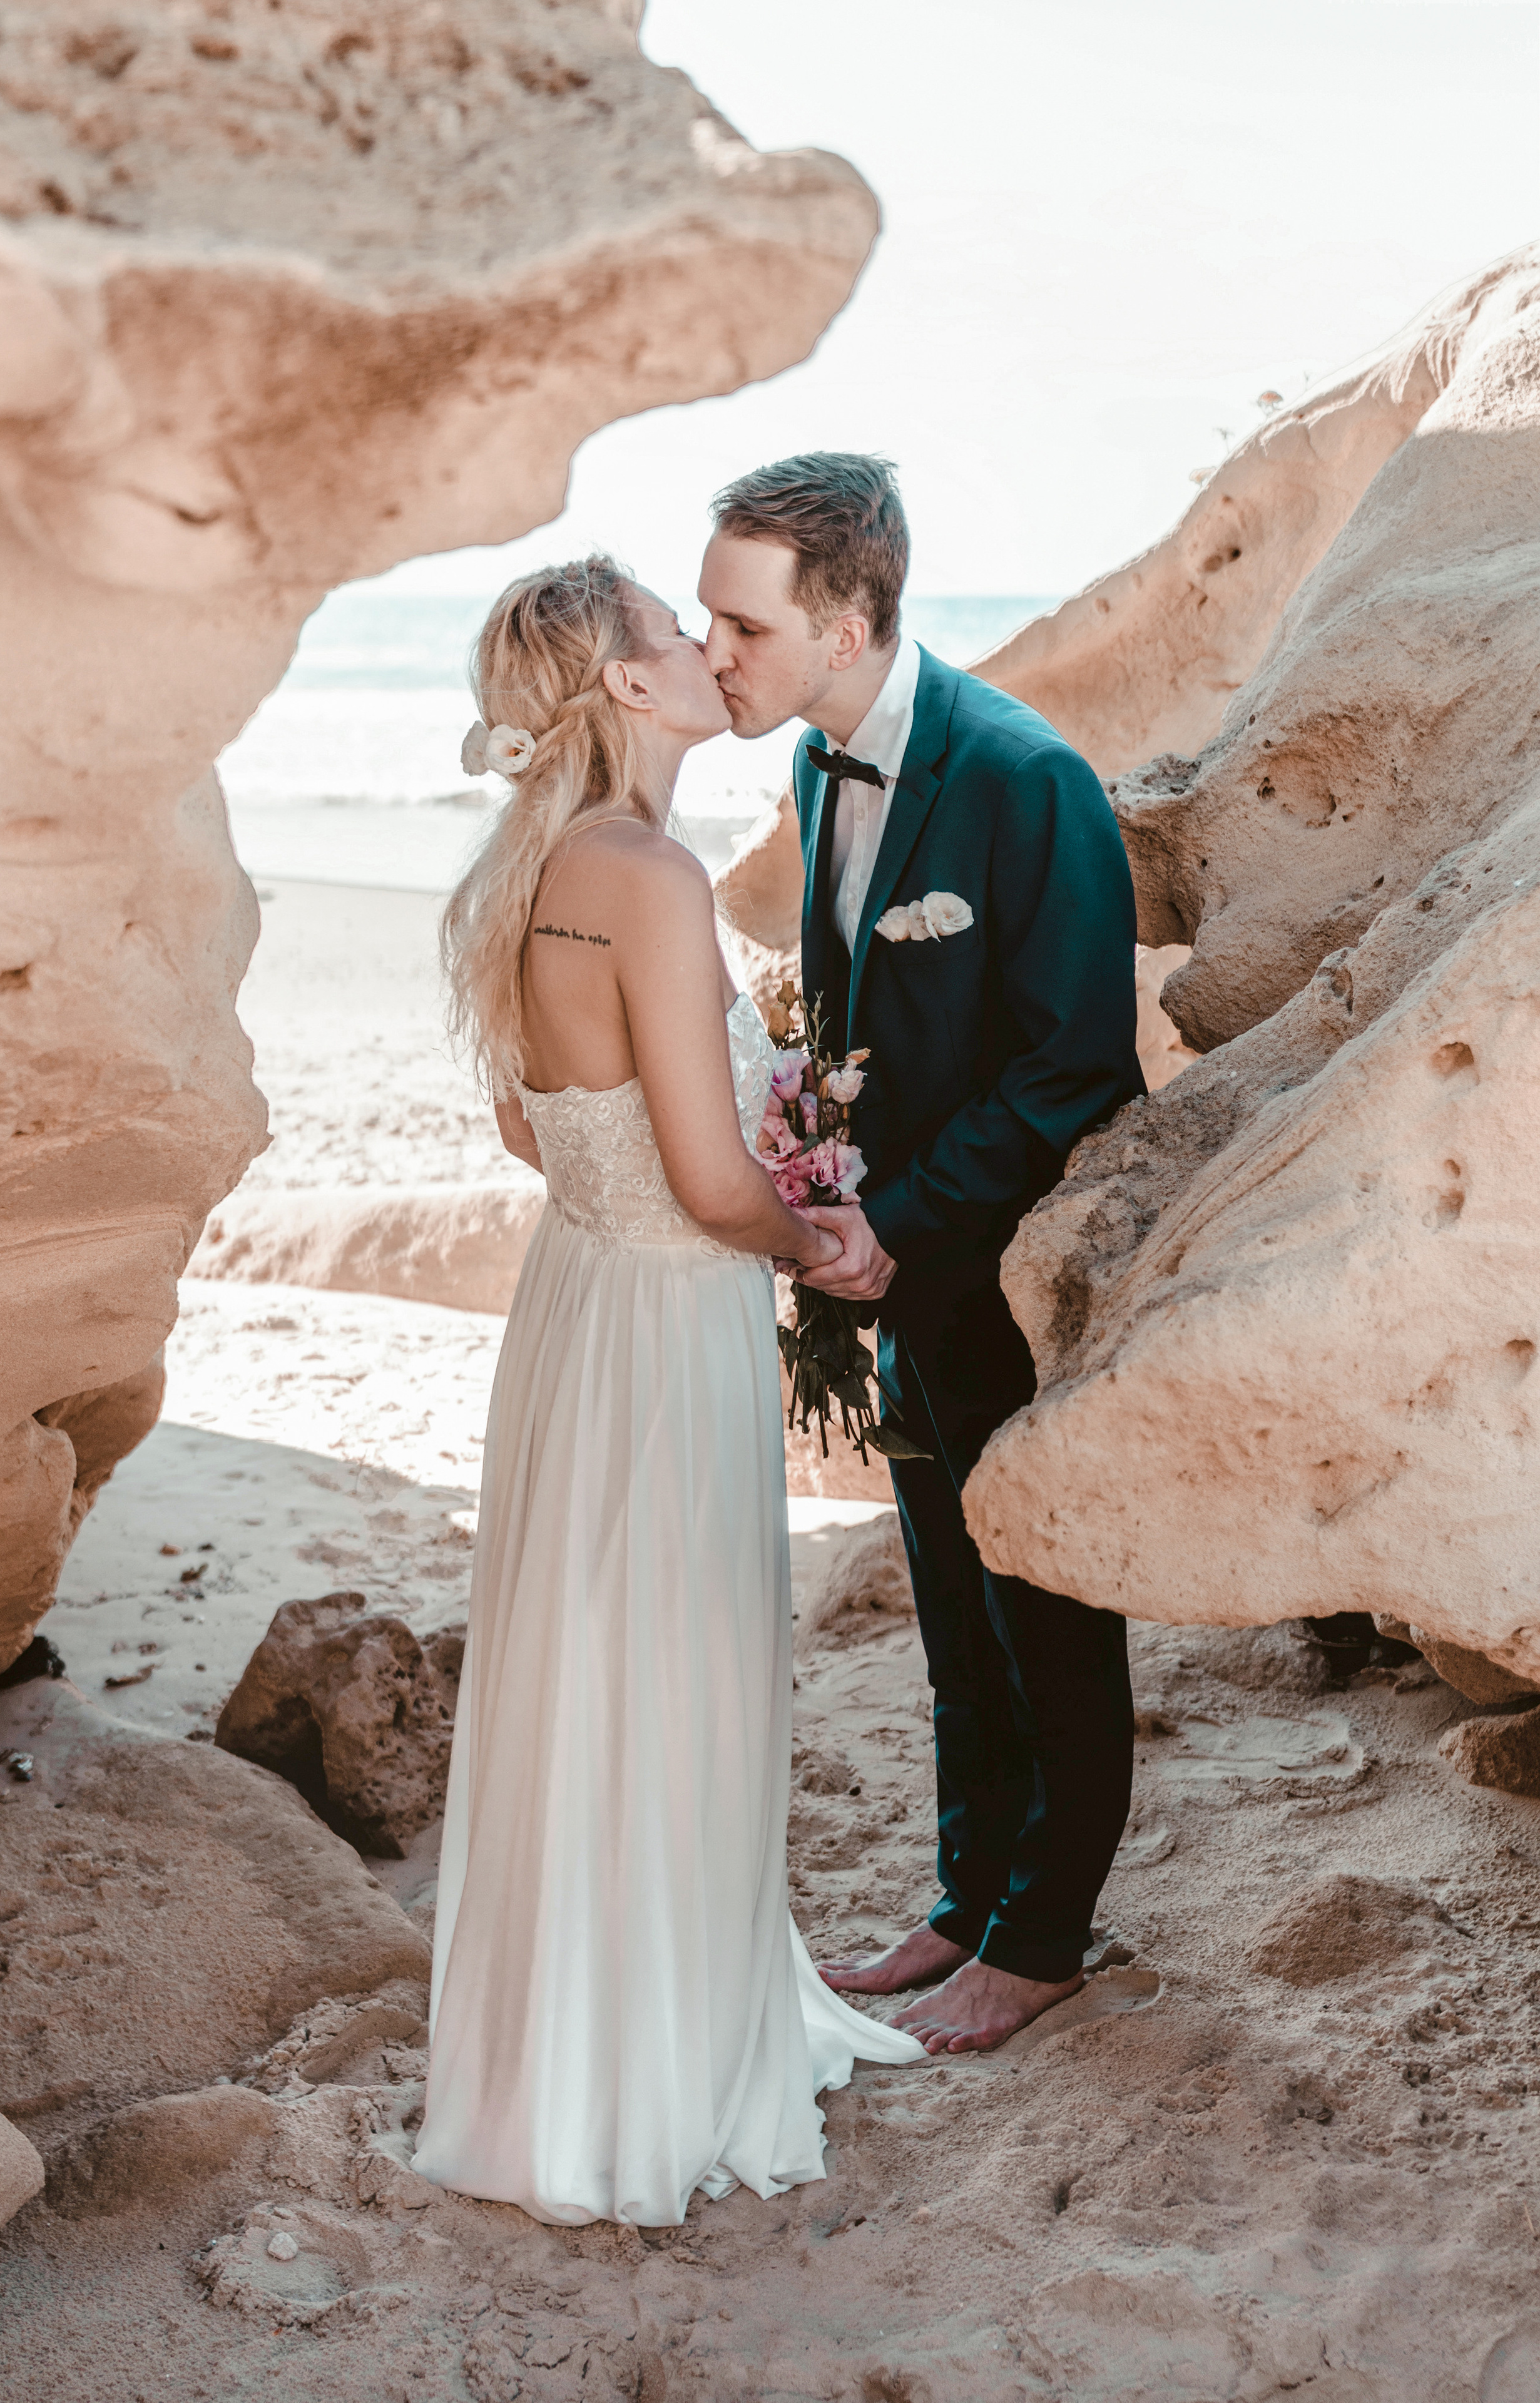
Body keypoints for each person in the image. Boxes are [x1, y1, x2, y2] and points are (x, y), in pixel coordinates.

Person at [416, 556, 922, 2230]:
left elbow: (532, 1127)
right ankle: (649, 2075)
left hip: (580, 1310)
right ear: (630, 689)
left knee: (591, 1675)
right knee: (678, 1674)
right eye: (676, 629)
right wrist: (826, 1250)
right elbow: (711, 1181)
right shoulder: (644, 870)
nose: (710, 648)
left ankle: (558, 2066)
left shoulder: (537, 867)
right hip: (672, 1311)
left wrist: (668, 1192)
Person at [699, 456, 1146, 2056]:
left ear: (846, 616)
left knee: (1040, 1594)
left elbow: (1077, 1062)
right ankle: (967, 1899)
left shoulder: (1026, 779)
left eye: (739, 624)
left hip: (1000, 1267)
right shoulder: (824, 771)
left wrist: (897, 1224)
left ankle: (1043, 1936)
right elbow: (855, 1022)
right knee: (949, 1599)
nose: (712, 653)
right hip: (890, 1267)